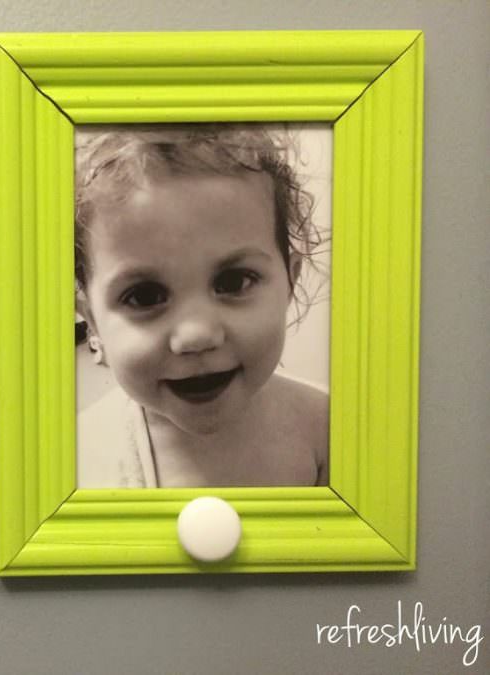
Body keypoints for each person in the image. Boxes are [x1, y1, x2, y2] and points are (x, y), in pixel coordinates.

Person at [75, 125, 329, 488]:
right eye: (144, 296)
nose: (197, 335)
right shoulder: (80, 459)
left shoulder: (328, 430)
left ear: (290, 281)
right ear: (92, 320)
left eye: (234, 282)